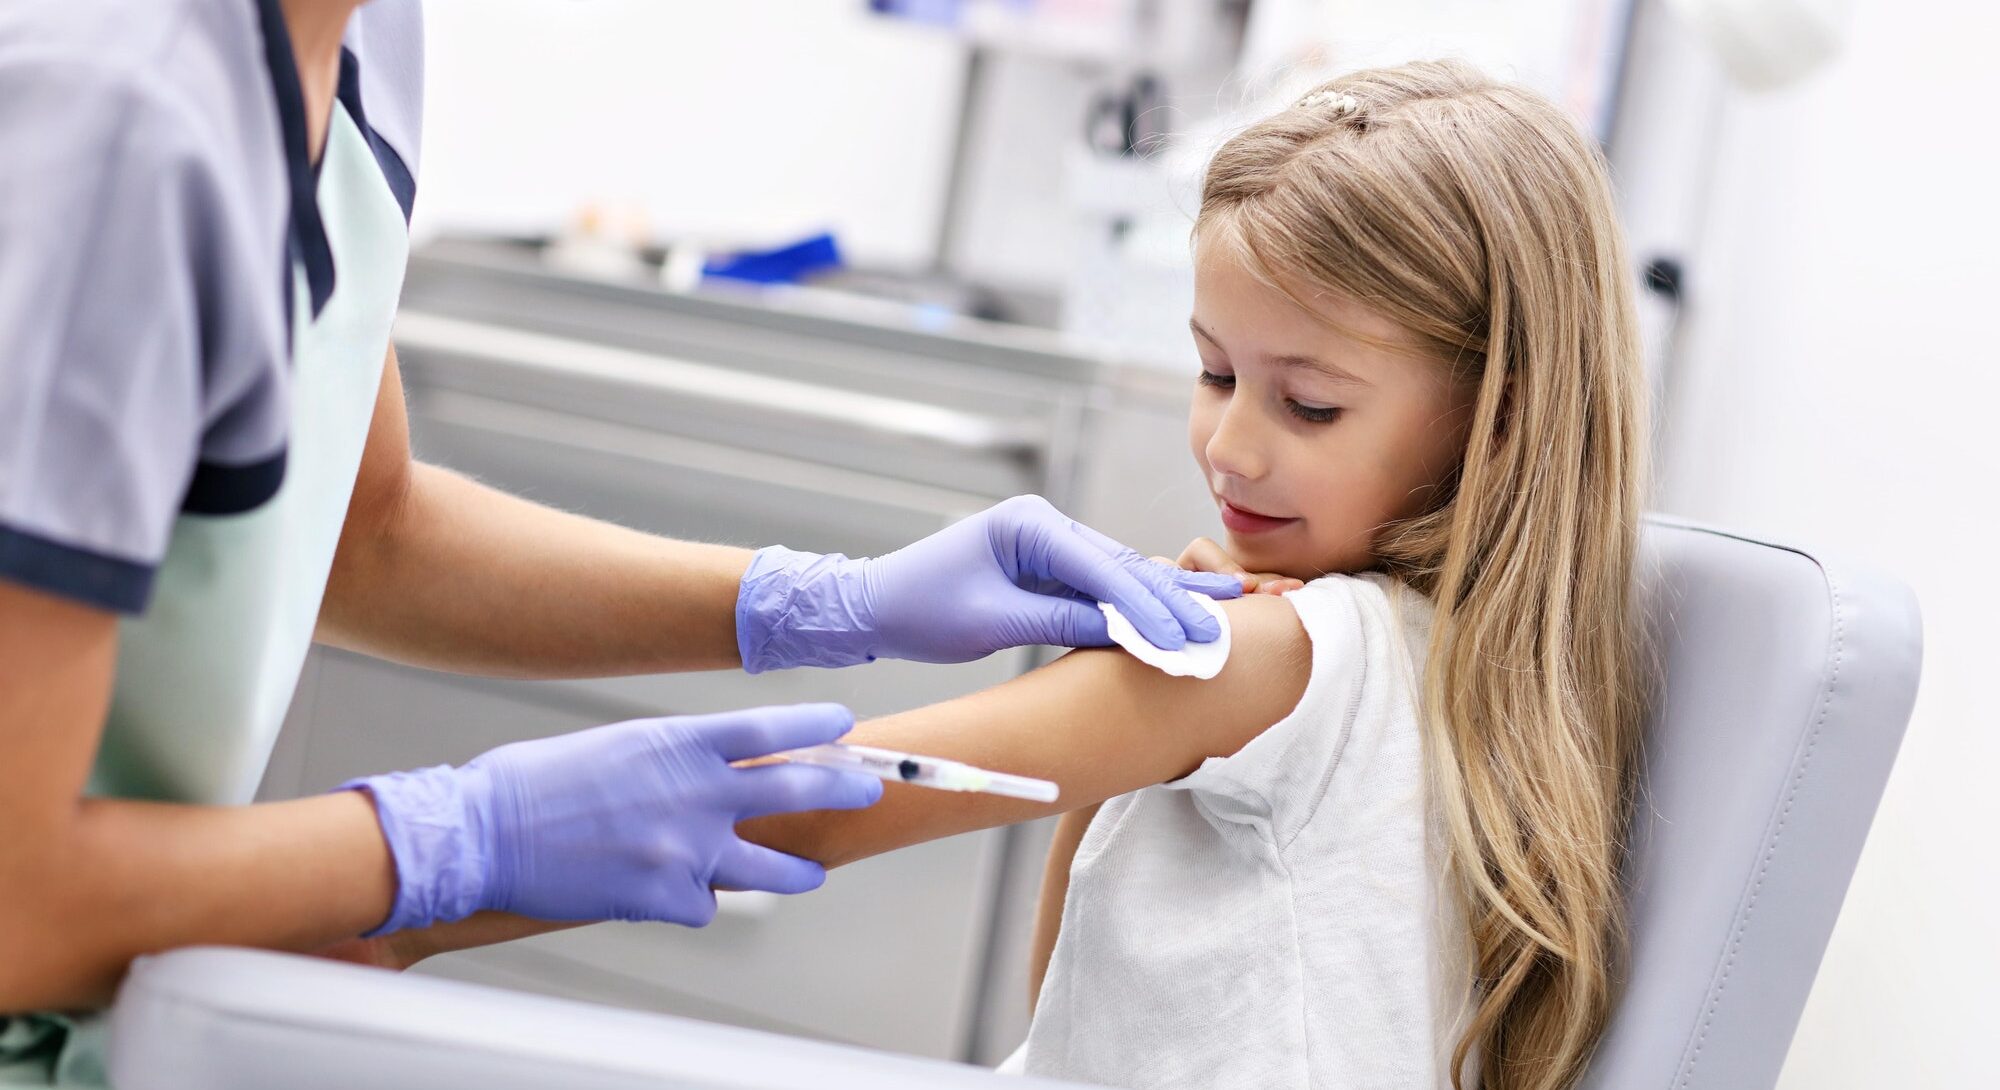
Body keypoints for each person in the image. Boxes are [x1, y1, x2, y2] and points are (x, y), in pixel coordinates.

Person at [0, 1, 1238, 1083]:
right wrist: (448, 846)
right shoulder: (117, 114)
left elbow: (360, 532)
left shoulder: (361, 37)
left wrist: (822, 602)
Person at [609, 61, 1642, 1089]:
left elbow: (811, 807)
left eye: (1309, 405)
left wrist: (500, 832)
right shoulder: (1503, 675)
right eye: (1214, 372)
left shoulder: (1273, 651)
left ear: (1497, 417)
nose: (1228, 449)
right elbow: (1071, 1017)